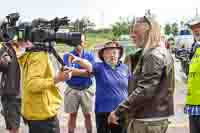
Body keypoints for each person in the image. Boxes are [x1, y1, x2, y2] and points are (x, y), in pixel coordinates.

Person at [108, 15, 175, 133]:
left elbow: (145, 90)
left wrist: (118, 112)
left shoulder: (152, 55)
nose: (132, 35)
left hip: (146, 121)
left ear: (148, 33)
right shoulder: (161, 52)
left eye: (135, 32)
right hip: (153, 118)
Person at [67, 41, 129, 133]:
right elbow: (88, 65)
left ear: (119, 54)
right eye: (108, 53)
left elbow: (132, 85)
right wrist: (79, 60)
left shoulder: (125, 68)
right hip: (103, 111)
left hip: (121, 111)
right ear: (103, 56)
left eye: (114, 52)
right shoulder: (99, 67)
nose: (112, 55)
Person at [63, 34, 95, 133]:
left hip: (86, 89)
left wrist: (74, 71)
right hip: (72, 89)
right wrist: (85, 72)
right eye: (76, 42)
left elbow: (92, 73)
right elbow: (67, 73)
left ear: (84, 42)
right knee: (72, 115)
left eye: (81, 42)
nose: (78, 45)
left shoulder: (90, 56)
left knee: (88, 115)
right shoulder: (67, 56)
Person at [0, 40, 21, 133]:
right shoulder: (5, 48)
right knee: (14, 129)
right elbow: (3, 65)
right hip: (12, 96)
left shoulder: (32, 47)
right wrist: (3, 61)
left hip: (30, 94)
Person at [184, 17, 200, 133]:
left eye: (198, 27)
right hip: (194, 104)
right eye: (193, 28)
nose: (196, 30)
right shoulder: (195, 47)